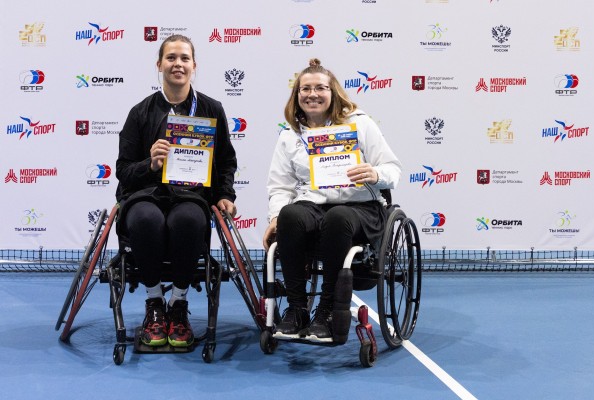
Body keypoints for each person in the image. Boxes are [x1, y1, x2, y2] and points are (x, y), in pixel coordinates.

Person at [262, 59, 402, 342]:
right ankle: (297, 309)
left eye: (320, 88)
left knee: (338, 217)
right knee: (290, 215)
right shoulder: (290, 135)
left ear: (333, 92)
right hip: (314, 206)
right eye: (305, 89)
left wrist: (375, 173)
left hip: (360, 206)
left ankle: (327, 310)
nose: (312, 94)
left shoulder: (359, 124)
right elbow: (280, 186)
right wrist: (275, 217)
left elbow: (393, 170)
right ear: (297, 95)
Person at [116, 34, 237, 348]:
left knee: (189, 220)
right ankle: (155, 302)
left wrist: (225, 195)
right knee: (146, 219)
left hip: (190, 196)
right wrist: (150, 165)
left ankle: (178, 304)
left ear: (194, 65)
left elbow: (226, 161)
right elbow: (123, 171)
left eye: (184, 58)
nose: (178, 64)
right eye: (171, 58)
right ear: (159, 65)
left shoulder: (211, 109)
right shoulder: (140, 112)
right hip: (146, 195)